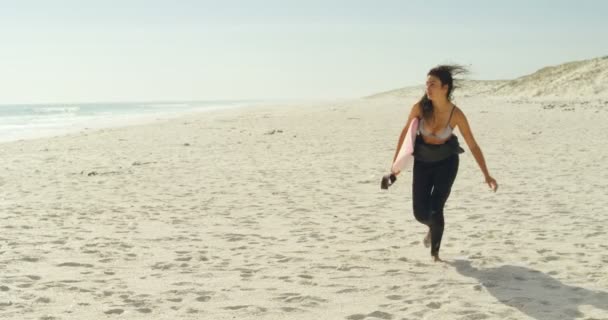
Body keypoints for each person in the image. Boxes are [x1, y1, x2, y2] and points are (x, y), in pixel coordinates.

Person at [390, 65, 498, 262]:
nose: (428, 88)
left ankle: (435, 254)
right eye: (427, 84)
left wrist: (486, 174)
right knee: (420, 213)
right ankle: (432, 227)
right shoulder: (420, 108)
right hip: (423, 162)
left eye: (433, 84)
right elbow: (406, 134)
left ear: (445, 87)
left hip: (446, 163)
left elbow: (472, 144)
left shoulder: (456, 114)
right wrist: (395, 166)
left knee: (436, 207)